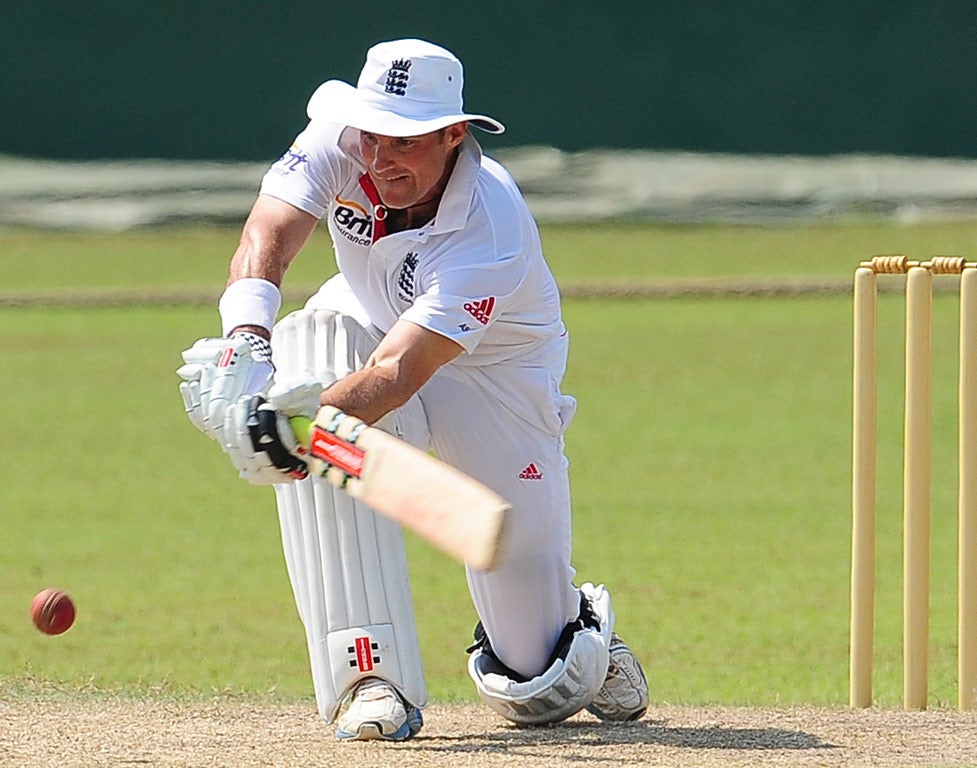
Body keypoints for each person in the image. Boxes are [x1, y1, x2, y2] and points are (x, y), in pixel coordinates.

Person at [177, 38, 648, 741]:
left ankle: (575, 635)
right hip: (366, 321)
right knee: (310, 348)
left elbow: (399, 374)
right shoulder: (344, 136)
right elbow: (268, 233)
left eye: (404, 140)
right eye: (372, 134)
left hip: (491, 375)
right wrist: (246, 342)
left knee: (534, 683)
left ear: (454, 133)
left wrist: (284, 425)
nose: (379, 157)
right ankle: (369, 678)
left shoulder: (490, 227)